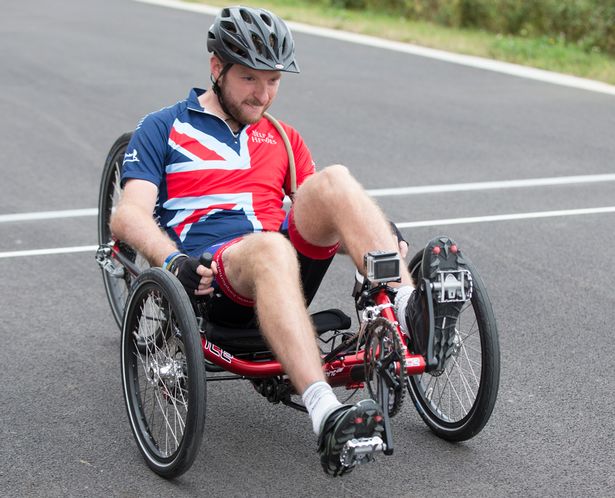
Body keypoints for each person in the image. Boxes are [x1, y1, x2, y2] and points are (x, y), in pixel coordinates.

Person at [110, 5, 462, 476]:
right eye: (251, 79)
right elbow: (127, 216)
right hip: (217, 276)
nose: (264, 95)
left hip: (285, 265)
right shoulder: (164, 127)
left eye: (274, 80)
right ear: (217, 68)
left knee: (333, 182)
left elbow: (325, 220)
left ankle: (406, 304)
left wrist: (377, 240)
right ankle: (325, 411)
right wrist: (171, 259)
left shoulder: (283, 137)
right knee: (271, 246)